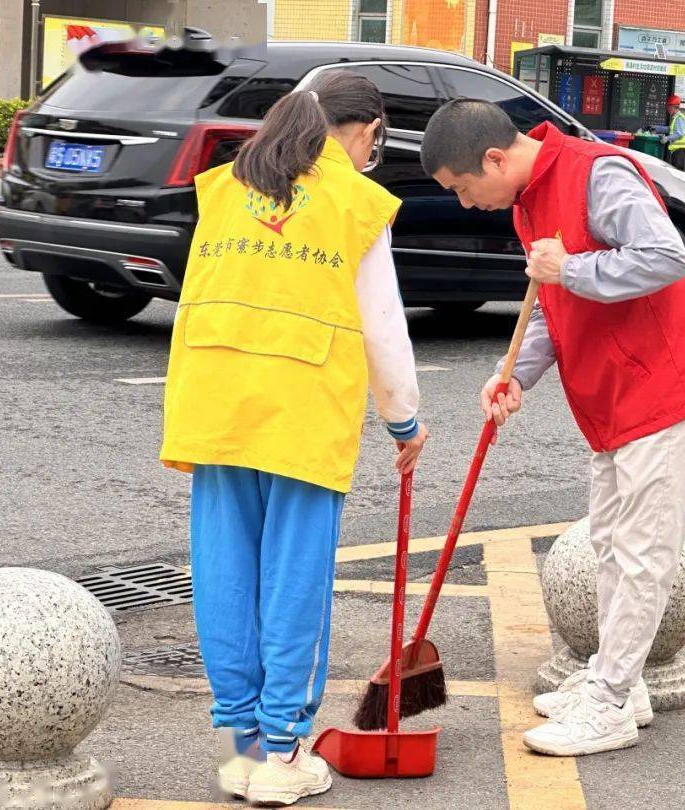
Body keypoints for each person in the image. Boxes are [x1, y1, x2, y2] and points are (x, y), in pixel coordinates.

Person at [420, 100, 685, 757]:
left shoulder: (597, 175)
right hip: (611, 400)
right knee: (612, 549)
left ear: (494, 159)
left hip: (665, 389)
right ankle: (620, 683)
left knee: (644, 556)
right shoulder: (527, 200)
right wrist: (516, 376)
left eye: (462, 188)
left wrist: (573, 269)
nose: (466, 204)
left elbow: (665, 256)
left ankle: (612, 704)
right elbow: (549, 307)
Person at [160, 71, 428, 805]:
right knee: (292, 583)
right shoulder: (353, 202)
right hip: (302, 407)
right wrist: (403, 421)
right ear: (367, 131)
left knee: (224, 575)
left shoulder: (222, 189)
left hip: (215, 401)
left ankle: (242, 750)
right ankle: (282, 754)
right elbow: (383, 330)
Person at [665, 94, 685, 172]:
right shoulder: (676, 118)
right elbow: (671, 129)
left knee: (678, 172)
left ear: (674, 107)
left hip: (680, 150)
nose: (668, 109)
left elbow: (679, 134)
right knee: (676, 171)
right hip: (678, 150)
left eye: (669, 107)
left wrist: (667, 138)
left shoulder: (679, 118)